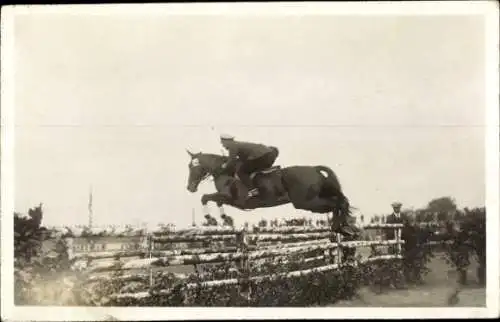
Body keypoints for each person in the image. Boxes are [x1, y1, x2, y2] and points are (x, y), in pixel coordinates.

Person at [219, 134, 279, 199]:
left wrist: (224, 166)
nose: (223, 145)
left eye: (222, 143)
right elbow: (244, 158)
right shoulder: (238, 144)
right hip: (269, 156)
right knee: (250, 169)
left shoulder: (232, 145)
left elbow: (231, 160)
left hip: (262, 156)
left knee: (241, 172)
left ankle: (253, 191)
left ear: (226, 141)